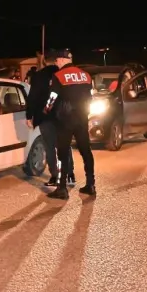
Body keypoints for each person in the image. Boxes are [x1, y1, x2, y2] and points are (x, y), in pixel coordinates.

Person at [44, 48, 96, 200]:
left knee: (62, 153)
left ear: (61, 60)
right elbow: (90, 97)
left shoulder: (59, 76)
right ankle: (91, 184)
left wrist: (46, 109)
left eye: (57, 61)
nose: (56, 64)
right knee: (86, 151)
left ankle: (62, 188)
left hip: (65, 120)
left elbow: (53, 97)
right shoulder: (85, 75)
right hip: (82, 118)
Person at [25, 55, 75, 187]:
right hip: (64, 116)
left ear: (44, 61)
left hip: (45, 117)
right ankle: (70, 175)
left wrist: (29, 116)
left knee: (50, 147)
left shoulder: (39, 76)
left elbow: (33, 97)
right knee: (65, 146)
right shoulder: (65, 75)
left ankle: (54, 176)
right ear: (57, 61)